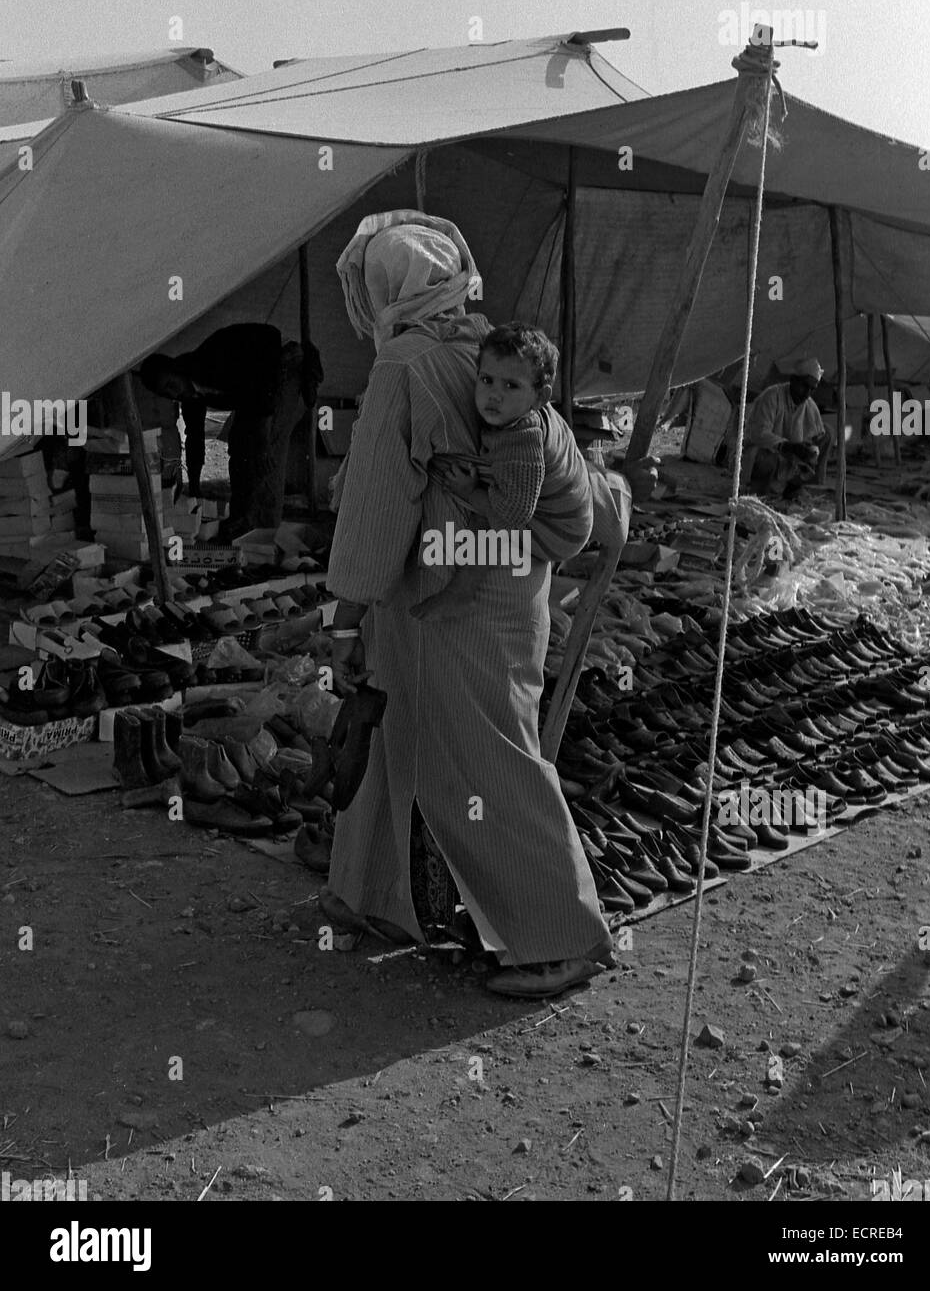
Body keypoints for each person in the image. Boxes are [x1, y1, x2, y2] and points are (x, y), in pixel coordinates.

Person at [321, 208, 613, 999]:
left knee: (488, 761)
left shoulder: (408, 368)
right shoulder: (489, 354)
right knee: (400, 736)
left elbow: (377, 507)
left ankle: (560, 938)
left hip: (447, 605)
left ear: (380, 289)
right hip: (503, 591)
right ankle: (371, 894)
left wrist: (342, 614)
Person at [410, 321, 592, 621]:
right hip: (567, 505)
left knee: (486, 518)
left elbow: (511, 515)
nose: (494, 394)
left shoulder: (521, 441)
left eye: (511, 386)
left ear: (541, 397)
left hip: (560, 531)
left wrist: (470, 492)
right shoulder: (514, 416)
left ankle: (461, 593)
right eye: (486, 380)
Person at [138, 323, 321, 533]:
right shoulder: (189, 396)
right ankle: (242, 518)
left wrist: (261, 443)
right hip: (253, 394)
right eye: (167, 394)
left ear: (176, 369)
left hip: (281, 364)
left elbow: (263, 390)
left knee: (268, 450)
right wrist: (194, 488)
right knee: (239, 442)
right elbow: (194, 436)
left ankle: (263, 532)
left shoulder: (211, 361)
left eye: (171, 385)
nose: (174, 393)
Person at [741, 356, 831, 499]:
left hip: (789, 458)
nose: (807, 393)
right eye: (804, 386)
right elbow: (758, 434)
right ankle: (758, 492)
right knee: (766, 458)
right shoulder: (772, 396)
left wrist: (809, 449)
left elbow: (814, 434)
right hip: (761, 452)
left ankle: (793, 488)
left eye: (811, 389)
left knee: (827, 434)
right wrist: (788, 446)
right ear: (793, 380)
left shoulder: (809, 405)